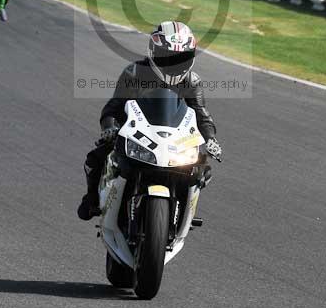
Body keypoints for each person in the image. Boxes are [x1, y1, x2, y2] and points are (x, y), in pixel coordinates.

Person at [77, 21, 222, 220]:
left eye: (181, 57)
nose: (174, 62)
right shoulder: (134, 72)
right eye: (167, 56)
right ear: (154, 52)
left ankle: (183, 213)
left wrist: (211, 139)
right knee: (95, 158)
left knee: (202, 169)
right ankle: (92, 198)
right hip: (138, 133)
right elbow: (114, 107)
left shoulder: (192, 81)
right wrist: (110, 128)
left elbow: (201, 113)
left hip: (174, 140)